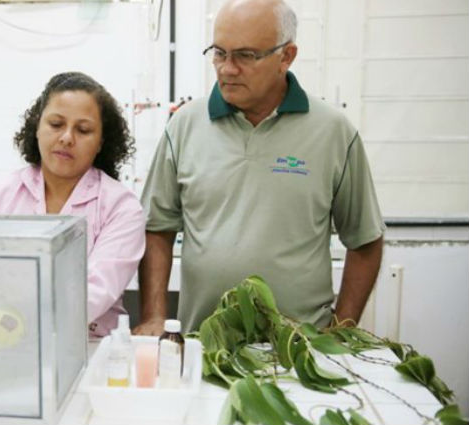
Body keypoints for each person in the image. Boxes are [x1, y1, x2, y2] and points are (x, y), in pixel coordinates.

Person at [135, 0, 385, 335]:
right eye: (219, 52)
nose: (227, 68)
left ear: (287, 56)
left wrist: (342, 328)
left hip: (300, 348)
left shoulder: (334, 133)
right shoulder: (184, 127)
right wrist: (154, 317)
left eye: (246, 55)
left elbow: (365, 240)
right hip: (205, 344)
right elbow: (157, 228)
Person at [0, 72, 146, 337]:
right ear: (37, 126)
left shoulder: (121, 207)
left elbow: (95, 291)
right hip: (4, 343)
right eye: (56, 124)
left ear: (101, 142)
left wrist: (20, 320)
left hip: (90, 348)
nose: (67, 137)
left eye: (83, 130)